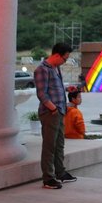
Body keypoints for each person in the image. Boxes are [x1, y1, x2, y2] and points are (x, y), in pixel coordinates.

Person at [34, 42, 77, 189]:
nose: (64, 62)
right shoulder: (42, 69)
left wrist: (67, 88)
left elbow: (54, 88)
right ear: (57, 55)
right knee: (49, 146)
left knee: (59, 145)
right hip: (50, 113)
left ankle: (61, 173)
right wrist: (53, 109)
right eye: (64, 59)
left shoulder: (56, 68)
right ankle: (48, 178)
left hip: (59, 112)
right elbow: (41, 93)